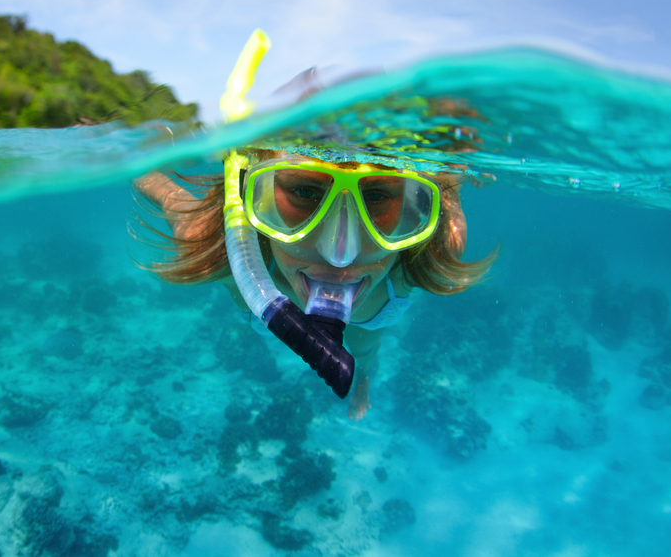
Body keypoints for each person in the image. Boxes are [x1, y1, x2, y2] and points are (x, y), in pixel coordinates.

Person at [134, 33, 495, 419]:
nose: (339, 254)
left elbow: (445, 187)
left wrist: (450, 170)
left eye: (377, 197)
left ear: (415, 207)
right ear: (248, 195)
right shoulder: (213, 239)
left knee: (365, 347)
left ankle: (365, 380)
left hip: (369, 320)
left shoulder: (437, 245)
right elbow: (154, 181)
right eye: (305, 191)